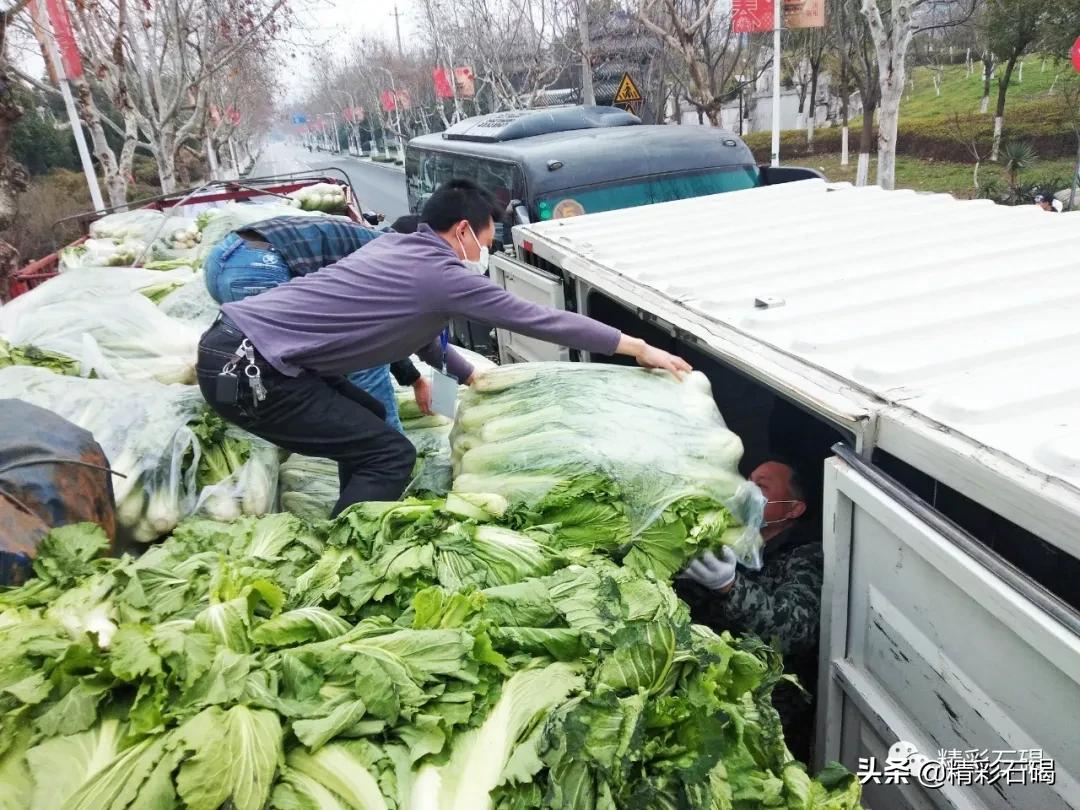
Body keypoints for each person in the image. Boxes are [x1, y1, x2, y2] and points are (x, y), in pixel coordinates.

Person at [195, 178, 691, 516]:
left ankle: (355, 513)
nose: (488, 253)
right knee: (389, 454)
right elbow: (539, 318)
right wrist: (636, 347)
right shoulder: (442, 272)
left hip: (232, 350)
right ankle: (351, 553)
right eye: (488, 241)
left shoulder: (396, 246)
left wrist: (460, 371)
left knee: (368, 416)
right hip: (249, 371)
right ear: (461, 232)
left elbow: (413, 329)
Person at [202, 214, 428, 432]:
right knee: (362, 360)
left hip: (223, 258)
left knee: (259, 360)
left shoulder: (370, 242)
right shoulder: (390, 259)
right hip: (258, 267)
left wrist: (413, 379)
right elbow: (373, 343)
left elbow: (384, 329)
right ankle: (383, 446)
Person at [676, 459, 822, 761]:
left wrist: (729, 585)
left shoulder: (806, 554)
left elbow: (795, 629)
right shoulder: (730, 536)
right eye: (749, 480)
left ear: (793, 508)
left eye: (762, 486)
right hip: (708, 683)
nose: (747, 490)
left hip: (767, 707)